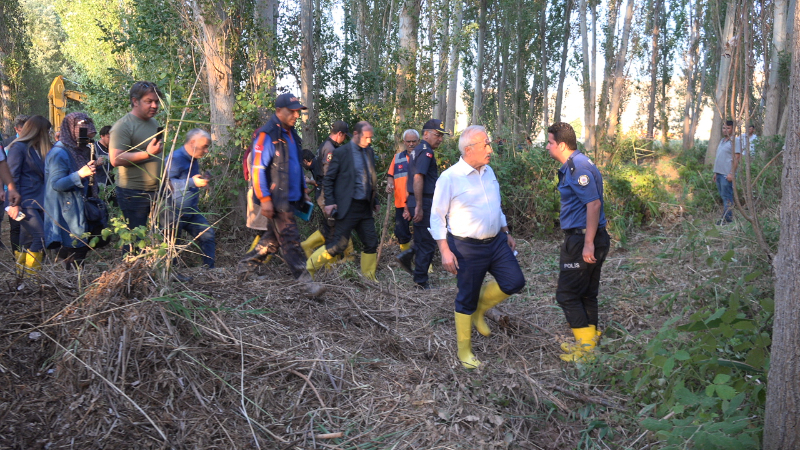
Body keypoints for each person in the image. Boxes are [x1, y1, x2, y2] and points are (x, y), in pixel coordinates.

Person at [431, 125, 525, 369]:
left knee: (514, 282)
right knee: (466, 297)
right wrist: (444, 251)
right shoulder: (450, 177)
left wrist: (506, 230)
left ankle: (480, 310)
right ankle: (465, 352)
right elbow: (436, 216)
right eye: (486, 144)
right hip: (466, 247)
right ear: (469, 149)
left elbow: (495, 204)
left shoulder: (488, 171)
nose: (490, 149)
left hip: (496, 243)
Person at [237, 93, 324, 298]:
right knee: (291, 240)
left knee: (271, 241)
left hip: (291, 197)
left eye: (297, 111)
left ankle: (243, 267)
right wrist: (265, 199)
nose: (295, 115)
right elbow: (258, 170)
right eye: (291, 111)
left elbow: (295, 165)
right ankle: (306, 284)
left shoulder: (293, 135)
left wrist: (303, 189)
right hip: (276, 199)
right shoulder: (266, 135)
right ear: (278, 111)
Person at [546, 122, 610, 362]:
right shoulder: (577, 163)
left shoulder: (577, 167)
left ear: (562, 145)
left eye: (550, 142)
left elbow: (592, 204)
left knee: (567, 295)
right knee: (586, 294)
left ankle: (586, 350)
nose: (547, 146)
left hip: (584, 238)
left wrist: (588, 243)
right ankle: (590, 345)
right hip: (588, 236)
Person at [306, 121, 380, 281]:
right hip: (347, 207)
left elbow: (371, 178)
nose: (369, 141)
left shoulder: (369, 152)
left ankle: (369, 278)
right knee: (338, 245)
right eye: (366, 137)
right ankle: (309, 267)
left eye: (370, 138)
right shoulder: (341, 153)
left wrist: (376, 200)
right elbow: (329, 179)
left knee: (371, 242)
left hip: (364, 208)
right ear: (356, 135)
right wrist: (330, 202)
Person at [109, 81, 165, 252]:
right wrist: (147, 154)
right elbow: (115, 159)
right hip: (133, 193)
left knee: (165, 234)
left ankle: (163, 273)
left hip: (158, 191)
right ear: (135, 101)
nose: (154, 105)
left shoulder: (154, 123)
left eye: (156, 101)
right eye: (149, 101)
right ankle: (132, 276)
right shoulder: (123, 126)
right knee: (135, 240)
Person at [395, 119, 449, 289]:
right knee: (428, 242)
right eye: (437, 135)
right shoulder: (425, 151)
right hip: (423, 201)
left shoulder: (418, 150)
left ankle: (408, 255)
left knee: (421, 239)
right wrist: (418, 205)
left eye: (442, 136)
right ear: (426, 134)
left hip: (418, 200)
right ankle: (420, 281)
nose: (440, 139)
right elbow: (418, 177)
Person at [44, 113, 100, 268]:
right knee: (71, 253)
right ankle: (72, 285)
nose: (85, 138)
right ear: (70, 129)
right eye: (82, 132)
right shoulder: (59, 152)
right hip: (65, 214)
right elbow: (56, 184)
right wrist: (80, 174)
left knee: (78, 252)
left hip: (75, 210)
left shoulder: (76, 150)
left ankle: (75, 283)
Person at [6, 115, 52, 274]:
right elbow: (12, 178)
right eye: (46, 131)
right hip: (25, 202)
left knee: (26, 240)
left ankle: (21, 278)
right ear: (38, 131)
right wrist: (13, 205)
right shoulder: (18, 148)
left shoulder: (36, 149)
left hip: (39, 201)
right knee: (41, 237)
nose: (48, 135)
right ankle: (33, 278)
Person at [300, 120, 351, 258]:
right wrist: (332, 198)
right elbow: (329, 175)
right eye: (345, 135)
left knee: (333, 226)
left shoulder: (325, 145)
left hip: (323, 192)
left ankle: (339, 259)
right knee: (333, 227)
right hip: (326, 193)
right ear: (339, 133)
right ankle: (324, 259)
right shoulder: (330, 149)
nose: (345, 138)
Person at [166, 129, 216, 268]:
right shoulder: (175, 159)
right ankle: (171, 274)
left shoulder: (194, 158)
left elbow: (188, 180)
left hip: (191, 210)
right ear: (193, 142)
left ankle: (209, 270)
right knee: (172, 245)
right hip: (173, 210)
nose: (206, 151)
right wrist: (192, 182)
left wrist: (201, 182)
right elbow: (164, 183)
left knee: (207, 234)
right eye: (204, 146)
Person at [386, 129, 417, 253]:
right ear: (404, 142)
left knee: (422, 232)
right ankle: (407, 256)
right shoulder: (397, 157)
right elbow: (390, 175)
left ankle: (425, 261)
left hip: (417, 202)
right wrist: (389, 184)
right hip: (400, 202)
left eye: (414, 141)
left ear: (418, 141)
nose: (411, 144)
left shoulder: (423, 157)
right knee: (401, 232)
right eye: (408, 141)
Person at [1, 115, 28, 254]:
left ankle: (30, 255)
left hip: (27, 190)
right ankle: (17, 255)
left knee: (28, 224)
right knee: (16, 225)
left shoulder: (34, 143)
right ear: (16, 129)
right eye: (23, 129)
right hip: (10, 190)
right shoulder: (8, 143)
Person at [712, 120, 741, 225]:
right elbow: (720, 157)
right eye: (724, 128)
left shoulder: (735, 141)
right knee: (723, 196)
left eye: (728, 128)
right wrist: (716, 173)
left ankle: (728, 220)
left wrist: (731, 173)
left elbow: (737, 158)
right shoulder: (723, 141)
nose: (725, 130)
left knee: (727, 197)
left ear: (733, 129)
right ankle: (725, 217)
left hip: (726, 175)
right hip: (719, 173)